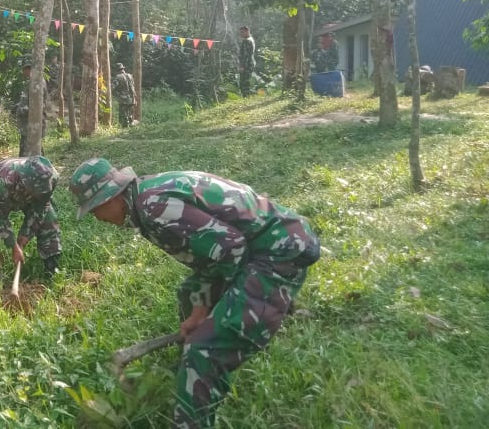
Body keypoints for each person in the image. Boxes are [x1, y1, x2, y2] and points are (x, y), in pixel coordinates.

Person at [69, 159, 320, 429]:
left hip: (280, 252)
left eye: (96, 210)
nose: (98, 218)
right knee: (189, 293)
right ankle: (194, 362)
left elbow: (230, 248)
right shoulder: (146, 195)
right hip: (264, 243)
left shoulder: (155, 208)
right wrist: (199, 303)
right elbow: (210, 254)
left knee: (204, 350)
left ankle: (200, 375)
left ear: (112, 197)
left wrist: (202, 312)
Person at [0, 155, 61, 281]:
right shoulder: (5, 181)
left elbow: (41, 208)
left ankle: (52, 266)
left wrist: (25, 235)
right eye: (33, 192)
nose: (35, 196)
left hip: (21, 187)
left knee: (48, 217)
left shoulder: (50, 179)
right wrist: (13, 245)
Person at [15, 59, 47, 157]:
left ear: (30, 69)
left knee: (32, 149)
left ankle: (40, 168)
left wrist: (21, 110)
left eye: (25, 69)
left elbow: (37, 105)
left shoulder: (38, 83)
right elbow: (27, 101)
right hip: (27, 123)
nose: (23, 72)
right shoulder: (31, 82)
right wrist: (17, 106)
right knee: (28, 148)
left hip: (33, 122)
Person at [111, 62, 137, 127]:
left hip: (123, 99)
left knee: (123, 115)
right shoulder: (130, 76)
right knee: (130, 114)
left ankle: (124, 129)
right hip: (131, 98)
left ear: (117, 70)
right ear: (123, 69)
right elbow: (133, 87)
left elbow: (112, 88)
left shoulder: (118, 77)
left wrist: (116, 94)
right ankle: (131, 128)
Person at [238, 26, 256, 96]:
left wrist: (242, 66)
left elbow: (246, 55)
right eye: (240, 32)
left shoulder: (247, 41)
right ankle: (246, 96)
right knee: (246, 81)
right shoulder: (250, 39)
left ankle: (246, 97)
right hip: (249, 63)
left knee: (244, 82)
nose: (241, 34)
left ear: (247, 31)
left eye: (242, 32)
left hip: (247, 64)